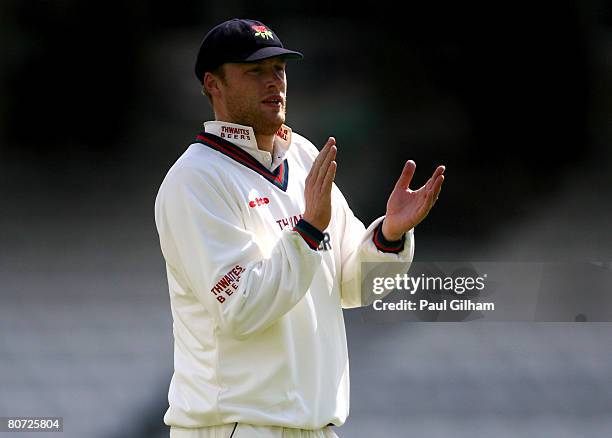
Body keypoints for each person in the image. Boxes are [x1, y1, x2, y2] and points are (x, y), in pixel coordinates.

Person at [154, 18, 445, 438]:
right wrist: (308, 231)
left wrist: (389, 237)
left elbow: (351, 287)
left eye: (279, 69)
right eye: (255, 72)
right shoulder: (196, 179)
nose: (274, 82)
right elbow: (241, 308)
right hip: (236, 425)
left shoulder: (304, 156)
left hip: (315, 426)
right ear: (212, 84)